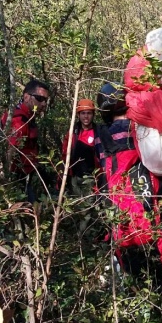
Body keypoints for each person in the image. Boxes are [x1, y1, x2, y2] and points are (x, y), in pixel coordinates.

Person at [95, 83, 162, 283]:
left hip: (121, 215)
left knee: (133, 268)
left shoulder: (102, 136)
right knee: (158, 264)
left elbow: (103, 172)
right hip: (150, 208)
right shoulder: (141, 128)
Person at [1, 79, 50, 203]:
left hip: (26, 174)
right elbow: (9, 152)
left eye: (45, 100)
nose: (43, 104)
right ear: (27, 97)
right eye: (39, 98)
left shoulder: (28, 116)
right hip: (17, 178)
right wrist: (6, 182)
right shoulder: (19, 121)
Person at [60, 99, 99, 234]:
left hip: (91, 177)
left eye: (88, 113)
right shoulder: (73, 132)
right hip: (75, 177)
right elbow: (65, 152)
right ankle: (77, 235)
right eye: (83, 113)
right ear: (78, 115)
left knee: (87, 208)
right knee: (78, 206)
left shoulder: (97, 132)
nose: (86, 116)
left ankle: (82, 236)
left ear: (93, 114)